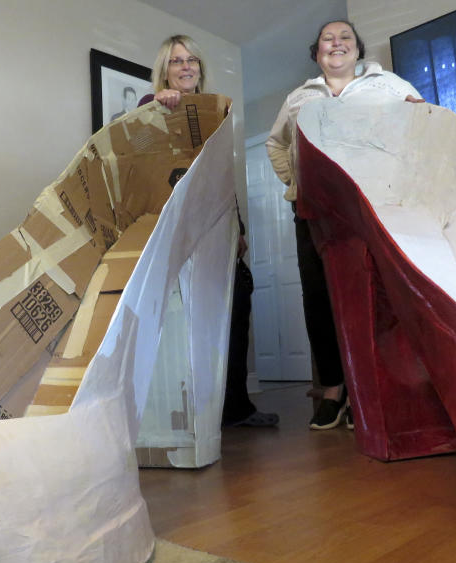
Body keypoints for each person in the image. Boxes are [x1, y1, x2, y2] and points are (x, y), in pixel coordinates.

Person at [266, 20, 424, 430]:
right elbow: (276, 142)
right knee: (319, 299)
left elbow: (422, 124)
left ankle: (367, 390)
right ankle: (334, 390)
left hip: (370, 207)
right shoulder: (299, 96)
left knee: (374, 294)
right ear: (317, 53)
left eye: (345, 39)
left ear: (357, 50)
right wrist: (295, 182)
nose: (336, 44)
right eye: (327, 40)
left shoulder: (387, 84)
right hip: (313, 211)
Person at [140, 35, 278, 428]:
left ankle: (235, 407)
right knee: (184, 317)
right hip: (176, 231)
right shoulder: (150, 108)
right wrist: (157, 106)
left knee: (236, 306)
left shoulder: (215, 113)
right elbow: (141, 159)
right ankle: (191, 413)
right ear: (164, 71)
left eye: (192, 61)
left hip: (218, 224)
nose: (186, 67)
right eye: (176, 61)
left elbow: (219, 175)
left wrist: (239, 226)